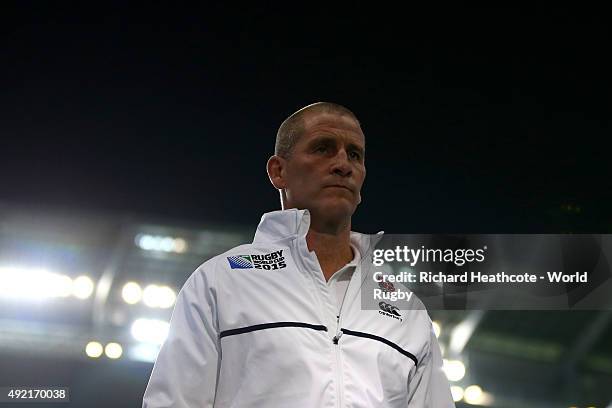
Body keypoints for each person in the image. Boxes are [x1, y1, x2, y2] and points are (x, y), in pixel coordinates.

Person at [142, 102, 455, 407]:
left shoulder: (407, 311)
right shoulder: (219, 282)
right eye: (323, 148)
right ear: (278, 171)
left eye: (355, 155)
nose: (343, 165)